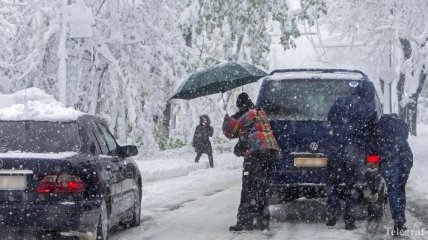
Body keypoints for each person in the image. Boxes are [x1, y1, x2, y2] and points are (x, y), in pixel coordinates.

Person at [222, 92, 279, 231]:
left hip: (256, 152)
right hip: (270, 150)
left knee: (249, 187)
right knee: (263, 186)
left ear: (240, 105)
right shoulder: (260, 112)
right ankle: (263, 220)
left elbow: (231, 133)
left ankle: (244, 221)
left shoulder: (245, 115)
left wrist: (227, 120)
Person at [326, 81, 377, 230]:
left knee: (333, 184)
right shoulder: (369, 108)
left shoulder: (339, 101)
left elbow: (330, 119)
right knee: (352, 187)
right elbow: (373, 133)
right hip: (355, 153)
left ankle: (332, 212)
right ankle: (349, 220)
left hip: (335, 149)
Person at [376, 113, 413, 235]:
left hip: (392, 160)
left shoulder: (382, 132)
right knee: (400, 190)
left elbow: (377, 149)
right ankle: (400, 219)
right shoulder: (400, 128)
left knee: (393, 191)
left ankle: (398, 222)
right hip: (405, 159)